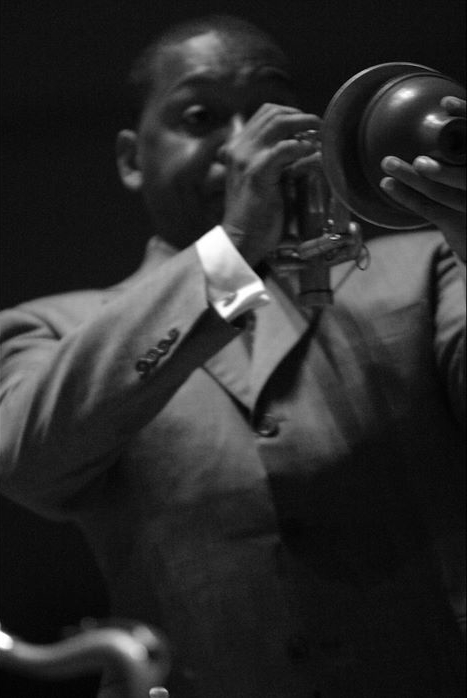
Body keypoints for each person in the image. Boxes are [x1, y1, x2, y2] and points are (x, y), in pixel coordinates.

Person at [0, 13, 465, 698]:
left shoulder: (429, 263)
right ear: (131, 159)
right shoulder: (53, 326)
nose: (246, 142)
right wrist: (236, 245)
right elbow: (29, 464)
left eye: (269, 108)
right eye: (201, 117)